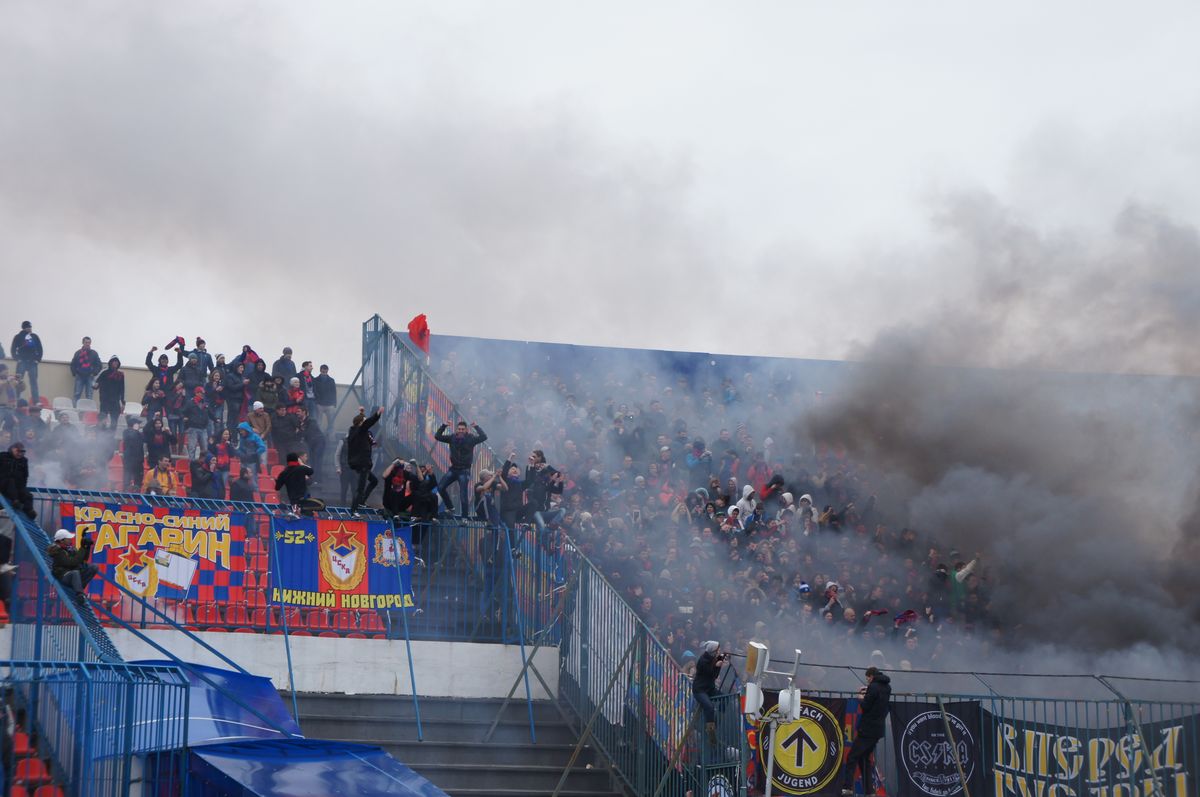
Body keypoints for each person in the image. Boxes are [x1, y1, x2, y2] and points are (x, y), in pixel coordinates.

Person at [842, 666, 891, 797]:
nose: (867, 681)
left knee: (852, 757)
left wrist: (860, 697)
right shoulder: (887, 687)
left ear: (871, 676)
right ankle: (869, 791)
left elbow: (866, 706)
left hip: (867, 730)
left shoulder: (873, 687)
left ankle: (847, 787)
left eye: (867, 678)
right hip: (877, 729)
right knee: (865, 760)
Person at [433, 421, 487, 518]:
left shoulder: (471, 438)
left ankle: (464, 517)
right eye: (459, 429)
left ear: (466, 430)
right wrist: (444, 425)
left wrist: (477, 427)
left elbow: (484, 437)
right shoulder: (452, 438)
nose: (461, 431)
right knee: (440, 487)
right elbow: (437, 436)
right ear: (456, 430)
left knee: (463, 494)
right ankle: (450, 508)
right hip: (453, 468)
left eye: (463, 429)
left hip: (464, 470)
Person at [347, 406, 382, 518]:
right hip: (362, 463)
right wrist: (377, 414)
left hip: (361, 462)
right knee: (360, 488)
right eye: (363, 421)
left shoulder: (355, 431)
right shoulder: (360, 431)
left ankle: (361, 502)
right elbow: (368, 423)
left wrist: (361, 412)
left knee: (374, 481)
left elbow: (365, 426)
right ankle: (354, 510)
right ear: (360, 423)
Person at [692, 640, 727, 745]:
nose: (718, 651)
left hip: (710, 689)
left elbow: (715, 673)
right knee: (709, 707)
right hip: (700, 690)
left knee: (725, 699)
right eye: (717, 650)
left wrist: (720, 659)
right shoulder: (703, 661)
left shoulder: (712, 658)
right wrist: (717, 666)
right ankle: (710, 731)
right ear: (713, 651)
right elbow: (712, 674)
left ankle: (715, 723)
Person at [48, 529, 97, 597]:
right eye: (68, 538)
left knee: (94, 567)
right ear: (62, 540)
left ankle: (78, 587)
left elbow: (83, 559)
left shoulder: (69, 548)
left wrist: (86, 547)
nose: (70, 539)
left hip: (73, 574)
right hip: (64, 576)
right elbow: (73, 562)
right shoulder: (57, 551)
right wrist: (82, 547)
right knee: (75, 573)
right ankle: (80, 594)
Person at [275, 452, 320, 518]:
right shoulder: (300, 469)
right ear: (299, 459)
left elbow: (309, 481)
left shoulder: (286, 472)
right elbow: (311, 471)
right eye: (305, 456)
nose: (306, 458)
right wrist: (302, 465)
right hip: (291, 500)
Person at [10, 321, 43, 403]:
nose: (30, 328)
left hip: (32, 362)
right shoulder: (18, 337)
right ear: (24, 327)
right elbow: (13, 349)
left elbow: (40, 348)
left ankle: (36, 402)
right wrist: (18, 359)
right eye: (28, 327)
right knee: (18, 382)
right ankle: (17, 400)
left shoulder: (34, 336)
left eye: (30, 327)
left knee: (34, 383)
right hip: (22, 362)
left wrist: (37, 360)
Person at [0, 442, 33, 517]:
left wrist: (23, 487)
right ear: (13, 449)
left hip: (18, 485)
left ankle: (29, 511)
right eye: (18, 451)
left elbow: (25, 475)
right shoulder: (3, 456)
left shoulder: (24, 461)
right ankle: (15, 501)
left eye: (22, 452)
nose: (20, 454)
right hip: (3, 483)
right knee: (10, 481)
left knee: (28, 495)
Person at [94, 356, 126, 430]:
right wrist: (95, 385)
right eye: (114, 361)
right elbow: (96, 383)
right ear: (110, 362)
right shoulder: (104, 372)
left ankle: (111, 437)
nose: (115, 363)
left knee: (114, 422)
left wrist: (123, 402)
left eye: (117, 361)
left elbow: (122, 388)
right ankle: (101, 436)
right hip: (105, 400)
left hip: (115, 401)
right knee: (102, 421)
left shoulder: (121, 374)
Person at [69, 336, 103, 405]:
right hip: (79, 376)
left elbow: (99, 365)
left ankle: (88, 412)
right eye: (86, 342)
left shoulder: (94, 353)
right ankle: (74, 410)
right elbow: (73, 364)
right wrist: (75, 373)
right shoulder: (78, 353)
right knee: (77, 394)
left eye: (89, 343)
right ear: (83, 343)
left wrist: (94, 373)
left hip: (90, 377)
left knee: (89, 395)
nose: (87, 344)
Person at [121, 418, 145, 491]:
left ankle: (136, 497)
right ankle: (125, 496)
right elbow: (130, 437)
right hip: (129, 461)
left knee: (138, 482)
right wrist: (135, 430)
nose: (139, 425)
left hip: (138, 461)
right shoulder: (126, 432)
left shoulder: (139, 434)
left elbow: (144, 438)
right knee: (127, 480)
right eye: (138, 424)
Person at [313, 364, 337, 434]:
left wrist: (334, 404)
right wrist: (316, 403)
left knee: (331, 422)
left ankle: (331, 438)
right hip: (319, 404)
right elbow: (314, 391)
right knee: (318, 422)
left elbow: (334, 392)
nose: (324, 373)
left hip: (329, 404)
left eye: (326, 372)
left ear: (327, 371)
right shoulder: (315, 380)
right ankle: (317, 436)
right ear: (320, 370)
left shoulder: (331, 380)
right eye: (323, 372)